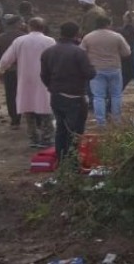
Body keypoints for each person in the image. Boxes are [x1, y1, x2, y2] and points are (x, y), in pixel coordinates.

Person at [40, 22, 96, 165]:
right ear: (76, 34)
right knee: (75, 130)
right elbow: (89, 74)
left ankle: (61, 158)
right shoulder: (78, 52)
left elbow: (43, 75)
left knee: (60, 128)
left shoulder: (48, 52)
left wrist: (52, 87)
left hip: (56, 95)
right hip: (75, 96)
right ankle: (72, 161)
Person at [0, 18, 55, 147]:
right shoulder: (49, 41)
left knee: (28, 108)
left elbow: (7, 58)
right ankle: (46, 138)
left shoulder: (20, 41)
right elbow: (55, 59)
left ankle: (33, 138)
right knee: (45, 107)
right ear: (43, 28)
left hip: (25, 78)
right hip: (44, 79)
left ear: (29, 27)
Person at [79, 15, 131, 126]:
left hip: (96, 69)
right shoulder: (117, 36)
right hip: (114, 68)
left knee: (98, 96)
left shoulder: (88, 37)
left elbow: (81, 52)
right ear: (109, 24)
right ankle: (116, 120)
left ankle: (100, 122)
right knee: (116, 95)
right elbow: (127, 52)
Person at [0, 15, 27, 129]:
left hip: (8, 70)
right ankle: (28, 116)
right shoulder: (24, 37)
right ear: (17, 24)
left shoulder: (0, 38)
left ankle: (14, 120)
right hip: (24, 70)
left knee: (11, 94)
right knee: (25, 93)